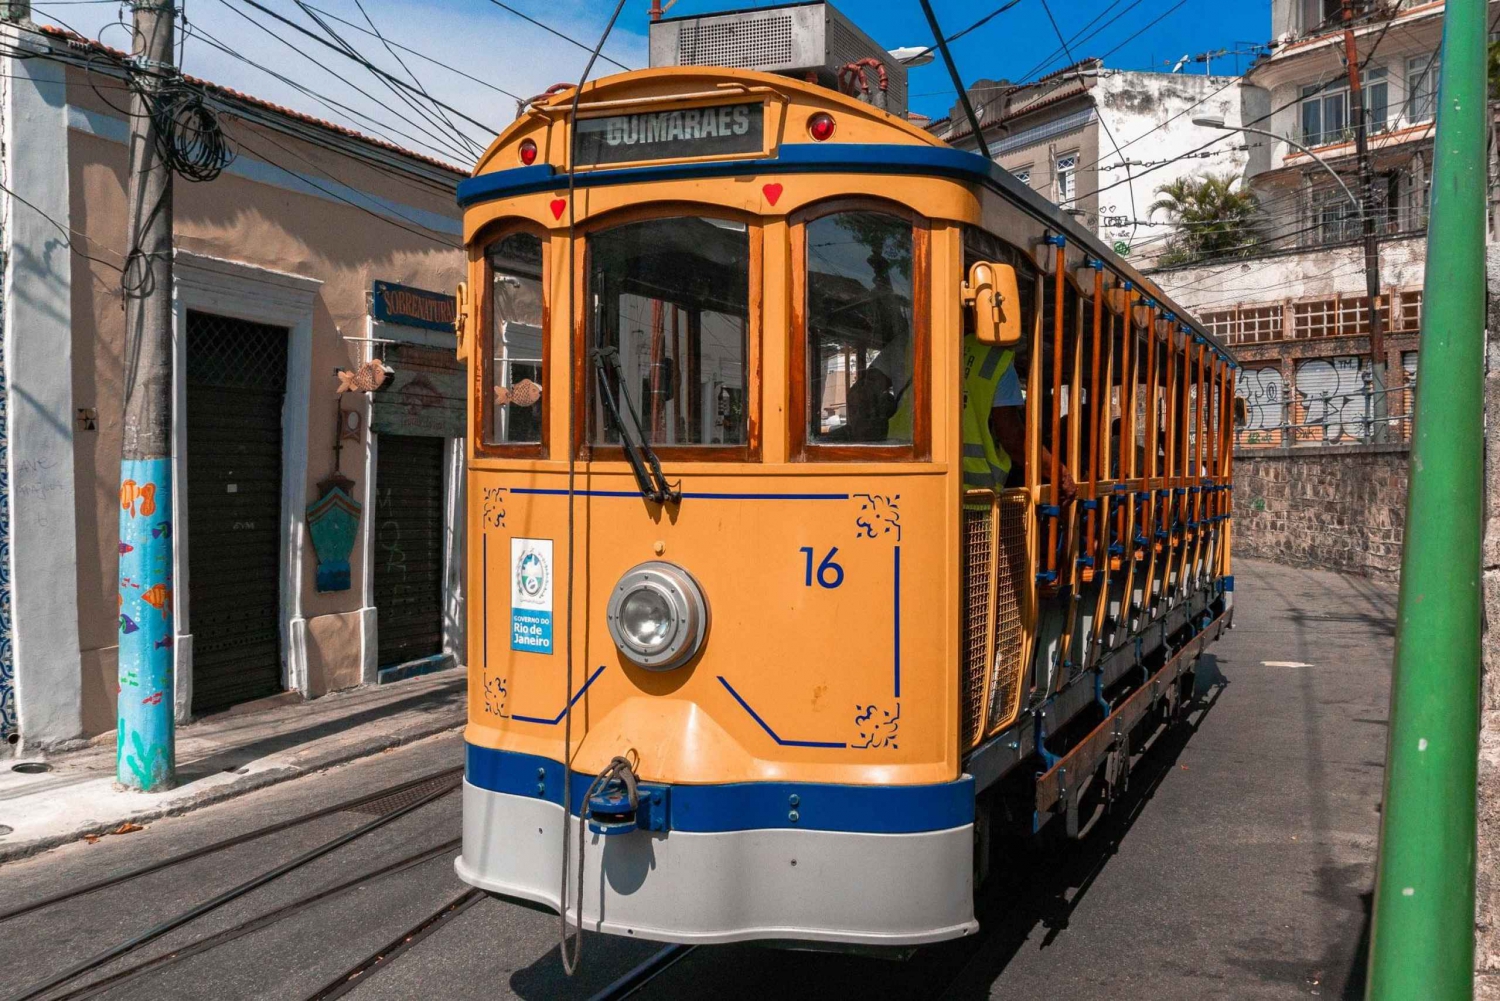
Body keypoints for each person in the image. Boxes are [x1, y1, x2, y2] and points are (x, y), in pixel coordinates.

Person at [978, 337, 1077, 503]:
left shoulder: (957, 352)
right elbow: (1014, 439)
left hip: (959, 488)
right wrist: (1061, 475)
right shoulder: (997, 362)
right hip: (985, 492)